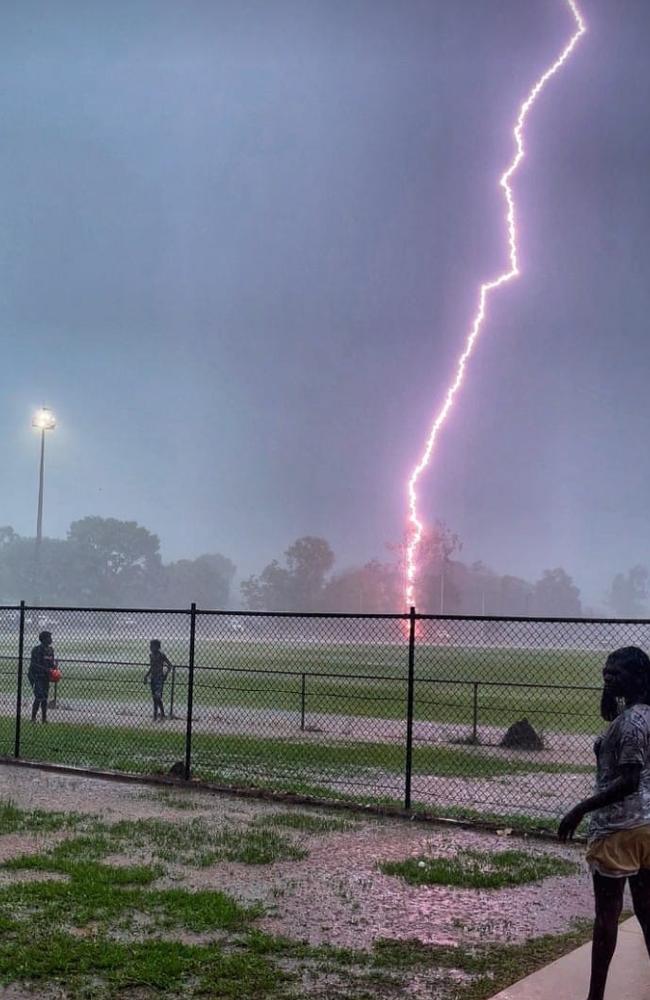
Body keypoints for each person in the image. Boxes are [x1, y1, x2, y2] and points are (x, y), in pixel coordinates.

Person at [559, 645, 650, 1000]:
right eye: (605, 672)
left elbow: (628, 780)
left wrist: (579, 808)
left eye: (616, 673)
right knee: (645, 911)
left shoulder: (630, 724)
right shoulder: (640, 714)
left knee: (606, 919)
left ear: (639, 677)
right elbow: (606, 714)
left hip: (617, 832)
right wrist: (610, 690)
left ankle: (595, 996)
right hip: (646, 827)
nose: (608, 677)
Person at [28, 630, 55, 724]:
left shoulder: (51, 650)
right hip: (36, 675)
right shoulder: (37, 650)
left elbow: (51, 663)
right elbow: (35, 664)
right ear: (43, 639)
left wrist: (55, 668)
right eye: (49, 638)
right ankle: (33, 718)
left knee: (45, 697)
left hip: (45, 676)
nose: (51, 639)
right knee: (39, 696)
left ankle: (44, 719)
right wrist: (47, 670)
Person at [144, 639, 171, 722]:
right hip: (153, 678)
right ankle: (156, 715)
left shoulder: (161, 655)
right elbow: (152, 667)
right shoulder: (151, 655)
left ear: (157, 647)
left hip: (159, 678)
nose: (150, 647)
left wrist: (165, 675)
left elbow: (169, 665)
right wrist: (146, 676)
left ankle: (161, 714)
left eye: (152, 646)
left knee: (157, 696)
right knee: (154, 698)